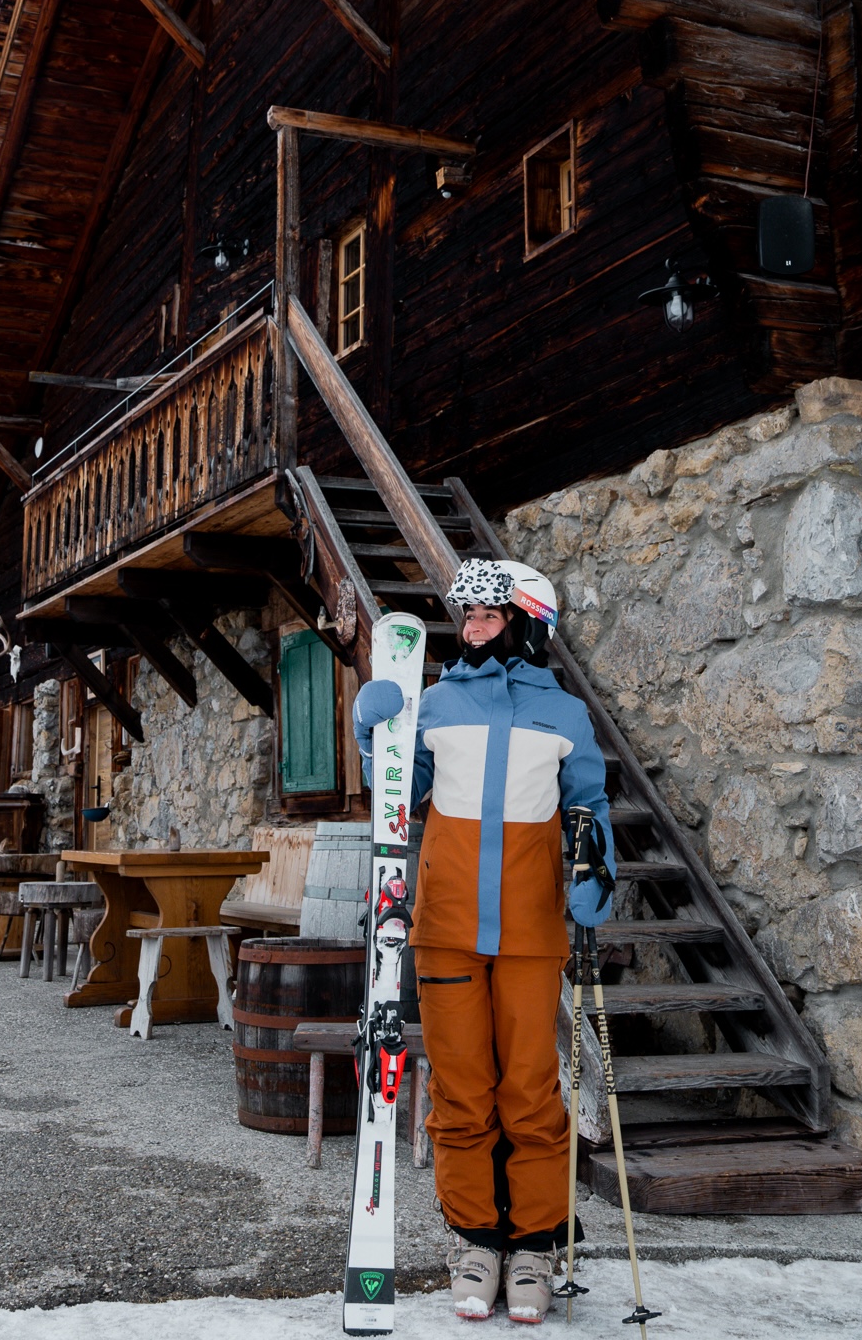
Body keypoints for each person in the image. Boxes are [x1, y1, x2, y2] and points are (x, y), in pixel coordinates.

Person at [352, 556, 615, 1325]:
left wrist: (597, 874)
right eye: (465, 618)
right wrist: (374, 734)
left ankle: (534, 1245)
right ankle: (476, 1242)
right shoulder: (433, 703)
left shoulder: (564, 716)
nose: (470, 630)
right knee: (462, 1092)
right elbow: (397, 791)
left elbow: (590, 806)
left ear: (528, 627)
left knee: (530, 1093)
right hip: (446, 930)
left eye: (488, 617)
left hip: (533, 933)